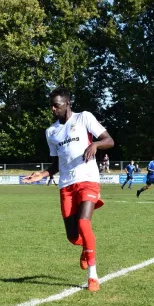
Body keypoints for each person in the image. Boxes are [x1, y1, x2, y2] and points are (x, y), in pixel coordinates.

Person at [22, 87, 114, 292]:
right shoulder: (51, 132)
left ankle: (93, 276)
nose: (53, 109)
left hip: (88, 179)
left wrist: (96, 145)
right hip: (66, 185)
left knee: (84, 222)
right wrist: (42, 175)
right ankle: (85, 247)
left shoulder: (84, 118)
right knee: (73, 236)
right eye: (52, 106)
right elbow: (55, 165)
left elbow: (109, 140)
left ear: (68, 103)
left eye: (57, 105)